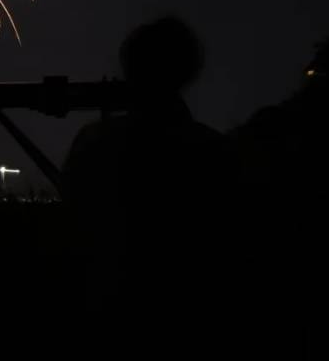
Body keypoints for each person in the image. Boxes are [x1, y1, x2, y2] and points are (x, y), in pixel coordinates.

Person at [63, 16, 230, 318]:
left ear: (128, 67)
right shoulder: (211, 148)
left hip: (107, 307)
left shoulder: (94, 141)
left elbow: (73, 223)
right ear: (190, 71)